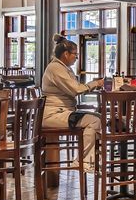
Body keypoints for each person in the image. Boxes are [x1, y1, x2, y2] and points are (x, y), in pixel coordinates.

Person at [41, 34, 104, 173]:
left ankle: (90, 159)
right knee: (93, 121)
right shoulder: (55, 68)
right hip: (53, 115)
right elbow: (75, 89)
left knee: (98, 118)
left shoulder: (62, 67)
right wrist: (95, 83)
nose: (76, 57)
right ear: (65, 54)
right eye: (75, 54)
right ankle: (83, 161)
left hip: (62, 112)